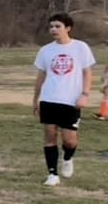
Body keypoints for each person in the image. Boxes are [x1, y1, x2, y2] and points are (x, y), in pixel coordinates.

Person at [32, 13, 95, 187]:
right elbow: (41, 76)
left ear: (68, 28)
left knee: (69, 140)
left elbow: (87, 72)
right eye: (51, 26)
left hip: (71, 101)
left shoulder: (81, 47)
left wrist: (85, 94)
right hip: (49, 99)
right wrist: (36, 99)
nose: (53, 29)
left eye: (57, 26)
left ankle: (67, 158)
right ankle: (52, 174)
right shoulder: (45, 50)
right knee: (50, 135)